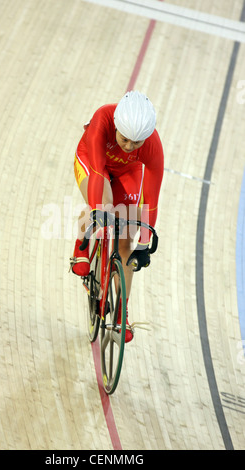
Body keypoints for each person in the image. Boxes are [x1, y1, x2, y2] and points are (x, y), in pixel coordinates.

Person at [70, 90, 164, 342]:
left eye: (137, 143)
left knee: (128, 239)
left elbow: (151, 200)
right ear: (116, 127)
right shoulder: (103, 119)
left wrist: (144, 245)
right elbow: (99, 173)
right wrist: (99, 211)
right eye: (125, 140)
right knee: (105, 206)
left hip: (126, 171)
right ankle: (81, 247)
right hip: (93, 161)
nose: (130, 146)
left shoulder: (152, 145)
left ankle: (122, 313)